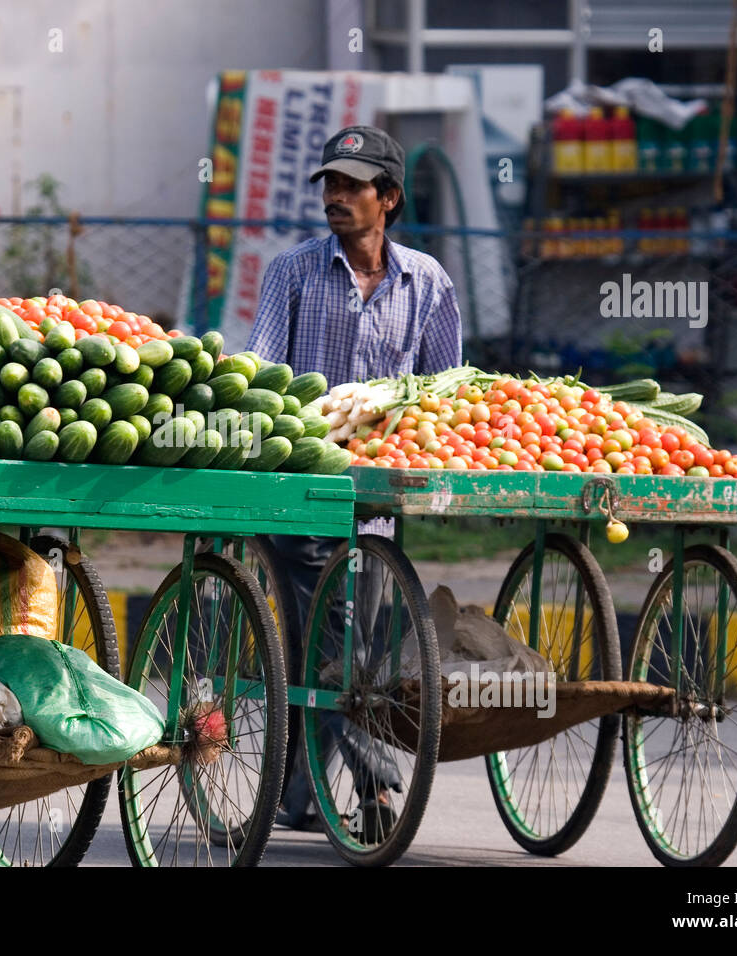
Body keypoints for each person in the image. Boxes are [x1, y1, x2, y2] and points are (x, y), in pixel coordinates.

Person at [246, 125, 462, 837]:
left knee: (349, 640)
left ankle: (298, 796)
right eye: (330, 185)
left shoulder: (427, 282)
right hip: (302, 489)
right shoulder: (294, 271)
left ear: (389, 198)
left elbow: (442, 394)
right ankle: (377, 789)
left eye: (352, 186)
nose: (336, 197)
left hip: (376, 501)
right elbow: (264, 371)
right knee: (339, 639)